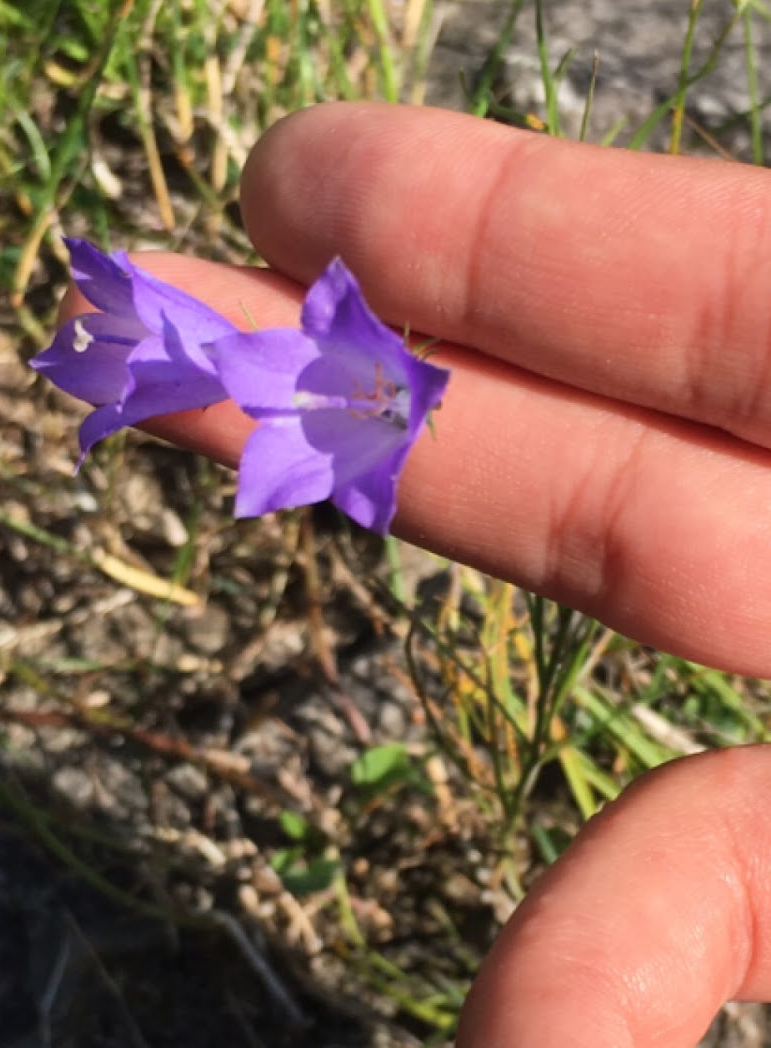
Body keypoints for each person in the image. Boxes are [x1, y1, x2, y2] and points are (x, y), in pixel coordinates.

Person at [60, 103, 771, 1046]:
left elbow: (378, 389)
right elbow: (302, 401)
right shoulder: (312, 418)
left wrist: (400, 394)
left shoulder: (380, 384)